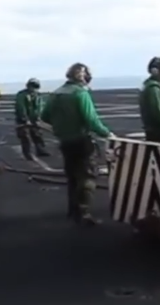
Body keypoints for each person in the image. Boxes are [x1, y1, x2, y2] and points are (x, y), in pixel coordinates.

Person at [40, 63, 114, 226]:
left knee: (72, 177)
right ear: (84, 77)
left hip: (65, 142)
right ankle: (84, 213)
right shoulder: (80, 93)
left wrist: (62, 125)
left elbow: (44, 116)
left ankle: (73, 211)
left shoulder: (56, 93)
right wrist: (108, 134)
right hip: (81, 141)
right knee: (87, 176)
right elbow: (91, 120)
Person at [14, 78, 50, 160]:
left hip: (35, 119)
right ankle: (28, 154)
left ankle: (40, 150)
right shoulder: (21, 95)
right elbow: (21, 107)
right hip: (23, 120)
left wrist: (39, 118)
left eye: (36, 86)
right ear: (28, 86)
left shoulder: (38, 95)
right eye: (32, 86)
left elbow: (40, 107)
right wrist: (25, 119)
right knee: (25, 136)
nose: (34, 88)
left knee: (38, 135)